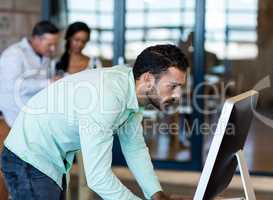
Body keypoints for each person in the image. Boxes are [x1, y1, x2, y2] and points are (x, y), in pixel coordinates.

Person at [1, 44, 191, 200]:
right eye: (172, 86)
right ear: (148, 79)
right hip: (29, 156)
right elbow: (98, 178)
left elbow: (135, 148)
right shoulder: (107, 98)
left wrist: (156, 195)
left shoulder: (132, 91)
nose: (177, 95)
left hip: (50, 158)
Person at [0, 20, 60, 200]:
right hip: (10, 122)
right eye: (50, 44)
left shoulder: (46, 57)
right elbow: (14, 86)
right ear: (36, 39)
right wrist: (48, 83)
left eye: (55, 44)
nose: (53, 49)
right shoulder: (14, 54)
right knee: (11, 174)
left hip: (32, 123)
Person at [56, 21, 102, 200]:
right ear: (68, 38)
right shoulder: (57, 64)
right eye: (76, 39)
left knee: (87, 173)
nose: (79, 44)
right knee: (62, 175)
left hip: (87, 124)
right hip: (62, 125)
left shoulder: (94, 63)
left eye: (83, 41)